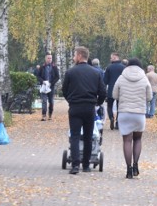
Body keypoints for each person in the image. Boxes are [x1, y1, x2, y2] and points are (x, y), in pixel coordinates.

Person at [62, 46, 106, 175]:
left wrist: (71, 100)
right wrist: (97, 102)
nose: (74, 58)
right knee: (88, 137)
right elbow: (103, 92)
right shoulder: (96, 73)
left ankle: (75, 165)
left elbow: (64, 90)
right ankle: (86, 165)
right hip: (89, 108)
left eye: (75, 55)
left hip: (75, 107)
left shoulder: (70, 72)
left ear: (80, 56)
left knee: (75, 136)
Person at [113, 58, 152, 179]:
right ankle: (135, 165)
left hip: (124, 113)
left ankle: (128, 169)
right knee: (138, 139)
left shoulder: (121, 77)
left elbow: (114, 95)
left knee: (127, 141)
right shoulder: (144, 78)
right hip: (139, 113)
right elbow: (149, 97)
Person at [103, 52, 125, 130]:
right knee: (120, 107)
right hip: (121, 90)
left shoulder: (109, 67)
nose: (110, 59)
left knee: (109, 106)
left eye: (111, 57)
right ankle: (118, 123)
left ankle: (111, 117)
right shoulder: (123, 67)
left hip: (111, 89)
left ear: (115, 57)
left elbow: (105, 80)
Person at [36, 53, 60, 121]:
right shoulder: (42, 67)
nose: (50, 59)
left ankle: (50, 114)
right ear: (45, 59)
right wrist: (42, 81)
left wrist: (51, 83)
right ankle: (43, 115)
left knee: (51, 101)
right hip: (43, 86)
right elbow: (38, 76)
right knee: (44, 101)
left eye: (51, 58)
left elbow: (57, 77)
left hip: (51, 87)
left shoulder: (54, 67)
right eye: (48, 58)